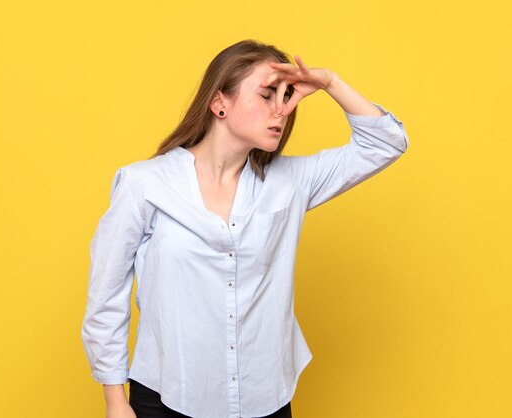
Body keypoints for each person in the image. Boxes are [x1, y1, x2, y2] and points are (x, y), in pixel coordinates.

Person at [81, 39, 409, 418]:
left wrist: (329, 82)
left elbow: (387, 143)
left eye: (287, 96)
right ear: (220, 103)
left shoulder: (291, 182)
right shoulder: (144, 185)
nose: (282, 110)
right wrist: (115, 399)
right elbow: (106, 295)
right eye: (268, 94)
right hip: (166, 398)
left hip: (264, 398)